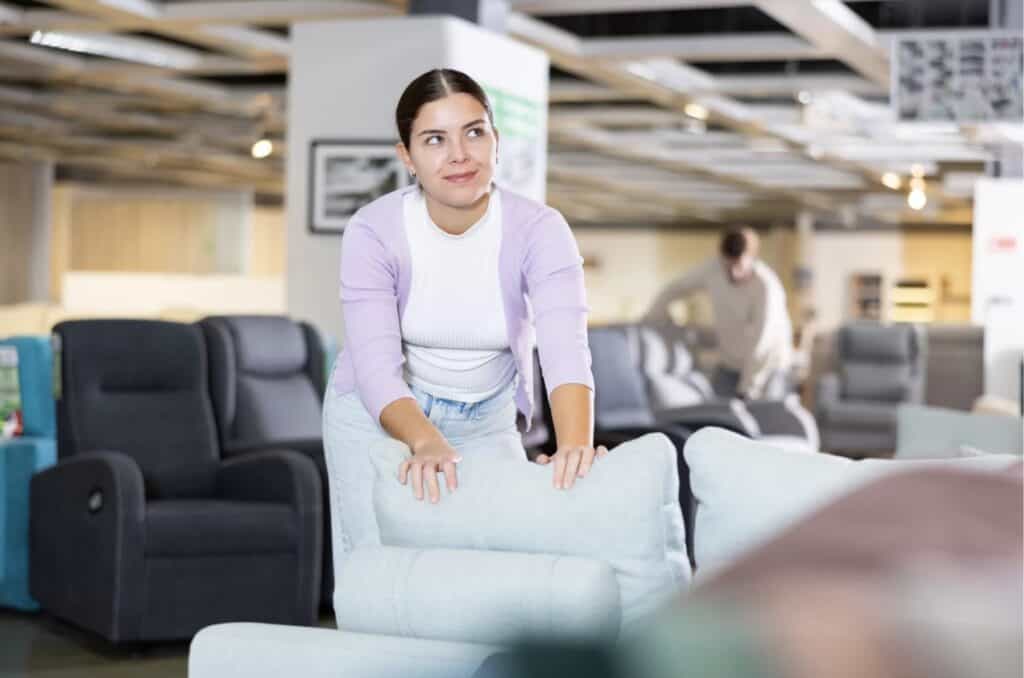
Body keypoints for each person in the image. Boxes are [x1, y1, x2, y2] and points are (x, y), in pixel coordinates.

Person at [322, 69, 606, 584]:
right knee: (377, 574)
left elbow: (566, 350)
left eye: (474, 132)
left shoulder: (540, 230)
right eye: (435, 140)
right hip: (377, 416)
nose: (460, 154)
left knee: (494, 567)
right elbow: (375, 368)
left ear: (495, 141)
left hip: (486, 420)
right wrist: (425, 440)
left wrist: (575, 447)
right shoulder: (373, 231)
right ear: (406, 156)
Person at [644, 227, 792, 400]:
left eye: (738, 266)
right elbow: (675, 288)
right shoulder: (712, 270)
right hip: (730, 361)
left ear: (752, 258)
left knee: (762, 418)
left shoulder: (766, 287)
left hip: (768, 366)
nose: (733, 273)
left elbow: (762, 343)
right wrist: (654, 318)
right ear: (721, 257)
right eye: (728, 266)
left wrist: (748, 388)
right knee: (717, 413)